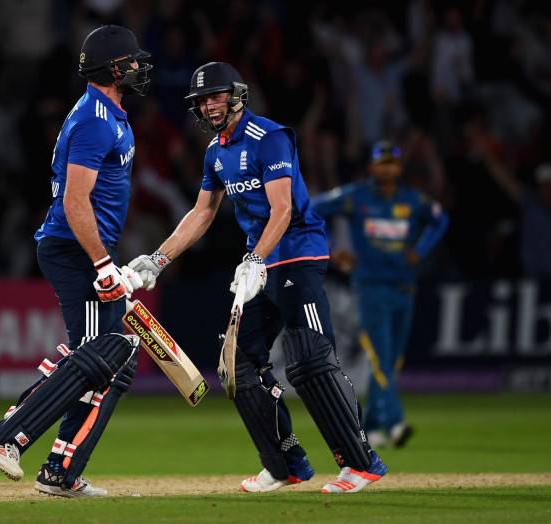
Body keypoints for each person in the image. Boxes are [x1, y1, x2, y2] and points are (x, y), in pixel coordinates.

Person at [128, 62, 387, 494]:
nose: (210, 106)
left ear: (236, 95)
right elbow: (203, 212)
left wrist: (255, 257)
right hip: (260, 264)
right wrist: (157, 259)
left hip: (297, 255)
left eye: (216, 96)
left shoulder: (271, 137)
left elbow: (283, 209)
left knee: (308, 359)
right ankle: (286, 465)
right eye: (202, 100)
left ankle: (362, 463)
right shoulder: (216, 151)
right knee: (238, 363)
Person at [0, 25, 150, 498]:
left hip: (83, 247)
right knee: (102, 354)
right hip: (74, 249)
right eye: (130, 62)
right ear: (113, 68)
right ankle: (6, 437)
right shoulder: (95, 118)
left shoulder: (108, 112)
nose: (138, 68)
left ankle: (61, 472)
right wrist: (101, 263)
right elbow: (76, 201)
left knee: (111, 361)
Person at [310, 141, 449, 448]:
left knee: (389, 362)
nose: (387, 168)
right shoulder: (354, 196)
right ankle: (396, 424)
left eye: (392, 163)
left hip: (404, 287)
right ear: (371, 167)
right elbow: (312, 209)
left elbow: (441, 219)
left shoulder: (412, 200)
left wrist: (421, 250)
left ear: (399, 168)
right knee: (382, 358)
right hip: (370, 288)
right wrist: (333, 249)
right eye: (381, 163)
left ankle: (371, 428)